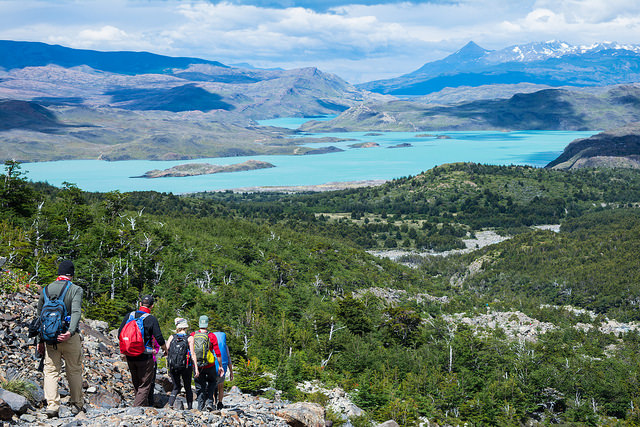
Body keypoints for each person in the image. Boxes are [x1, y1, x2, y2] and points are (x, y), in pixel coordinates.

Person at [37, 260, 84, 418]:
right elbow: (76, 312)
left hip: (50, 339)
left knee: (50, 372)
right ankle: (76, 405)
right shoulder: (76, 289)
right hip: (69, 338)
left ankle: (52, 407)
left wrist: (40, 341)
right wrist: (70, 332)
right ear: (72, 274)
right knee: (74, 371)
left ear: (59, 273)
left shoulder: (46, 289)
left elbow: (39, 318)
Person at [118, 295, 167, 407]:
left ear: (140, 304)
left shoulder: (129, 315)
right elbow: (159, 338)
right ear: (152, 306)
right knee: (145, 384)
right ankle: (137, 408)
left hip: (130, 355)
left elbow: (119, 333)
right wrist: (165, 349)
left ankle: (142, 406)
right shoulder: (151, 319)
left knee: (136, 381)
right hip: (145, 356)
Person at [190, 315, 224, 411]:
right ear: (207, 324)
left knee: (199, 386)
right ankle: (209, 402)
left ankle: (200, 407)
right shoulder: (211, 336)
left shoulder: (193, 335)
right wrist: (220, 366)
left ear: (199, 323)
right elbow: (217, 353)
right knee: (212, 382)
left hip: (197, 365)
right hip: (209, 365)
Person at [166, 317, 194, 409]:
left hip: (173, 366)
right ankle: (190, 408)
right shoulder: (189, 338)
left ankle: (170, 405)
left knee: (176, 387)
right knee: (187, 387)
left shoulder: (172, 337)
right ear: (185, 327)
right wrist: (196, 368)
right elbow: (193, 354)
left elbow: (166, 351)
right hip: (186, 366)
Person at [213, 330, 233, 410]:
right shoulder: (225, 346)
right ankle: (220, 403)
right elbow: (229, 359)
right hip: (223, 367)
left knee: (212, 386)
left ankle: (213, 403)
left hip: (213, 367)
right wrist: (231, 372)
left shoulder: (212, 345)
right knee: (220, 386)